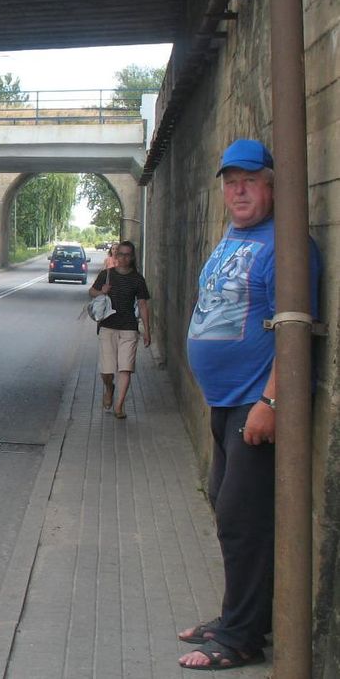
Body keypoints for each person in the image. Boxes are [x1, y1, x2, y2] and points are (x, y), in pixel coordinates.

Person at [178, 139, 321, 670]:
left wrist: (272, 400)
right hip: (225, 402)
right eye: (230, 181)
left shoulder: (286, 246)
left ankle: (240, 639)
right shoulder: (235, 237)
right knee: (228, 509)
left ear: (273, 186)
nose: (238, 190)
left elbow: (295, 331)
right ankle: (238, 616)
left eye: (250, 180)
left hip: (256, 406)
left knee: (244, 521)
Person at [88, 240, 151, 419]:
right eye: (120, 254)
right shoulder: (106, 275)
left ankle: (119, 406)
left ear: (132, 257)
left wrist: (147, 330)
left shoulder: (138, 279)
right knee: (107, 371)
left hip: (129, 328)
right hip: (107, 327)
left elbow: (143, 305)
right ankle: (109, 388)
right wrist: (102, 292)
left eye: (127, 255)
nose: (123, 258)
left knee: (126, 368)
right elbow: (91, 292)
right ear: (116, 256)